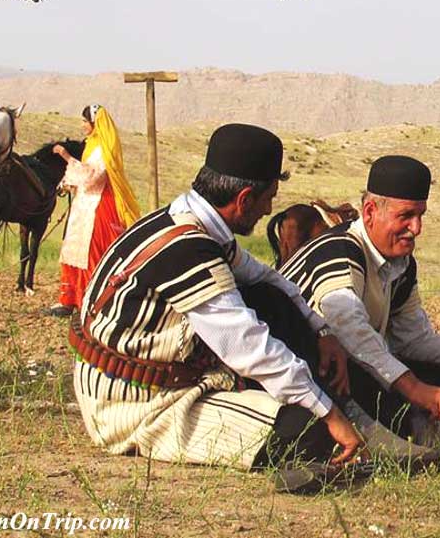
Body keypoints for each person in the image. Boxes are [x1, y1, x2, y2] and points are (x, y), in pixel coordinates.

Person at [71, 124, 367, 492]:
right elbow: (248, 346)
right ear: (243, 199)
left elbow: (267, 278)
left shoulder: (189, 221)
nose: (269, 210)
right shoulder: (188, 249)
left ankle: (342, 412)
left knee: (269, 299)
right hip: (132, 403)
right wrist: (330, 414)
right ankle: (333, 435)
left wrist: (321, 331)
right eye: (267, 198)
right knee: (307, 428)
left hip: (149, 379)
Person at [280, 155, 440, 444]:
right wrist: (415, 389)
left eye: (420, 216)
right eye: (405, 216)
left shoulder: (400, 264)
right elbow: (349, 331)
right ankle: (379, 438)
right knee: (357, 371)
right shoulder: (340, 249)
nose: (416, 229)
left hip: (345, 366)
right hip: (296, 372)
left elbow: (414, 339)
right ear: (369, 212)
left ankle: (408, 431)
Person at [45, 105, 140, 317]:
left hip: (98, 208)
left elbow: (93, 177)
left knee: (91, 254)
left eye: (85, 122)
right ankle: (69, 299)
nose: (82, 126)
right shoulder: (92, 145)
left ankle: (92, 298)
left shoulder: (104, 147)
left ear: (95, 124)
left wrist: (67, 157)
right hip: (84, 205)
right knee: (74, 251)